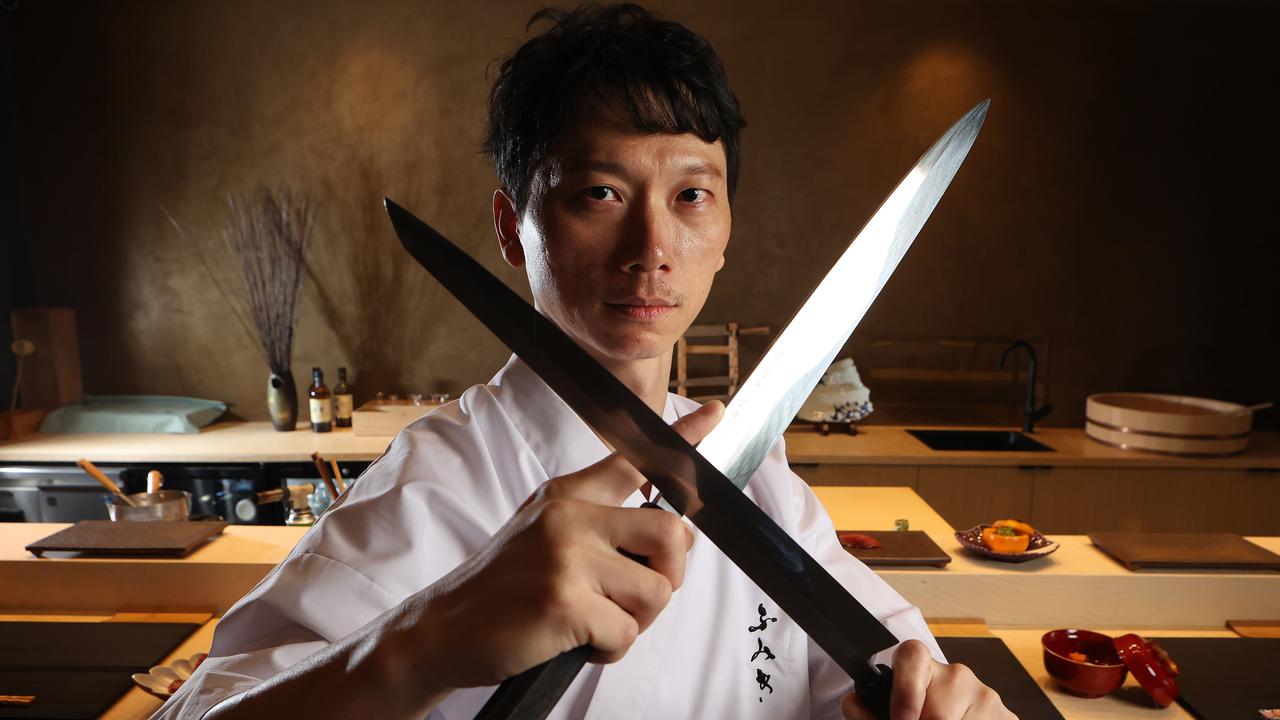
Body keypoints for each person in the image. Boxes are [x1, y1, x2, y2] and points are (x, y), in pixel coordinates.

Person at [156, 5, 1011, 719]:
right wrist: (420, 643)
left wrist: (938, 702)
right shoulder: (439, 480)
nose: (652, 249)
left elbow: (896, 671)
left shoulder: (757, 478)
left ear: (726, 231)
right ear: (509, 227)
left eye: (691, 196)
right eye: (598, 193)